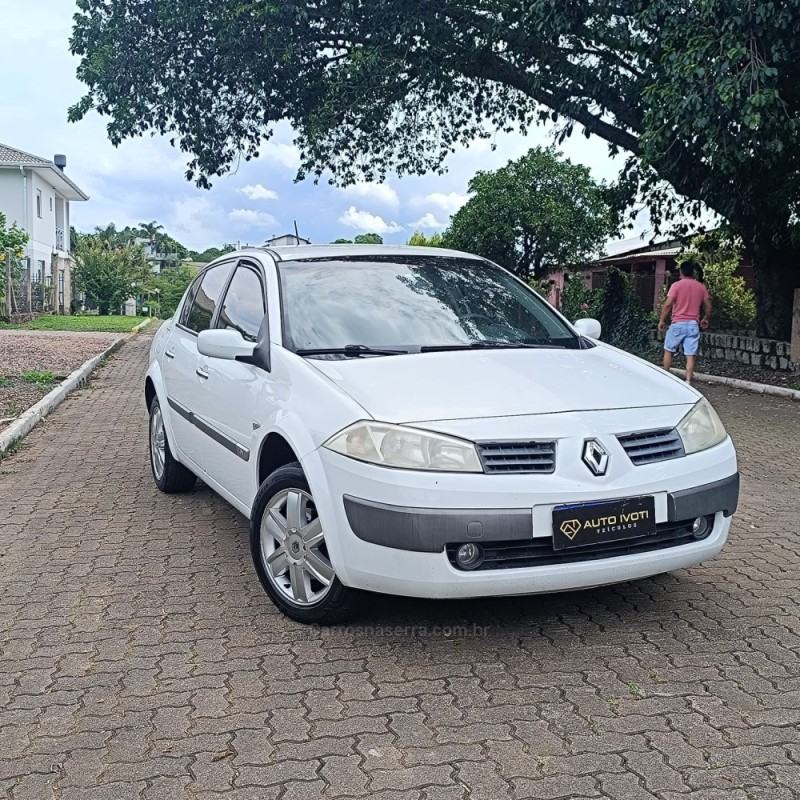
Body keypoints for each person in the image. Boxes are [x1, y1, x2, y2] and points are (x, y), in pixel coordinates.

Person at [658, 258, 712, 384]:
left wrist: (661, 320)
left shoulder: (676, 286)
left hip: (678, 323)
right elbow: (709, 306)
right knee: (690, 354)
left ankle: (666, 377)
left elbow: (668, 305)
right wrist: (705, 318)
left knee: (669, 350)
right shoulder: (701, 287)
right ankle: (688, 380)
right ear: (693, 272)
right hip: (693, 324)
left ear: (681, 272)